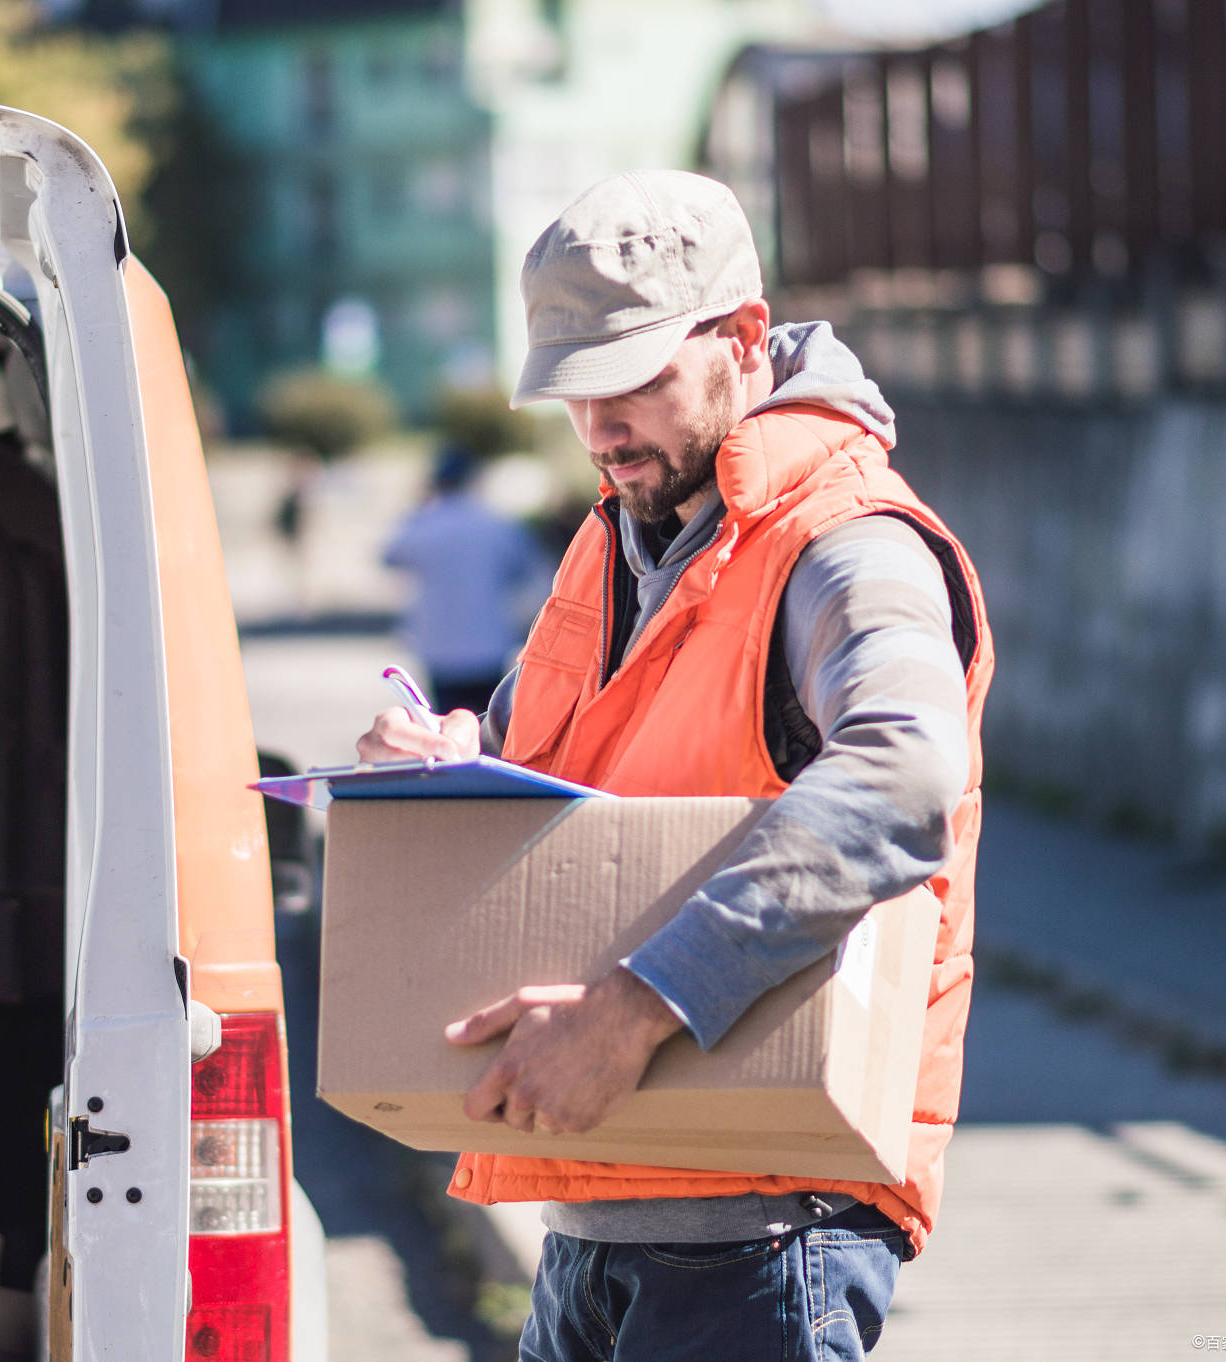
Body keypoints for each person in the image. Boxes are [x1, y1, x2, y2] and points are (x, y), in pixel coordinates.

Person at [355, 170, 993, 1360]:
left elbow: (904, 777)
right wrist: (445, 766)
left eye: (631, 380)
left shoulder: (846, 544)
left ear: (743, 341)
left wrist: (636, 1008)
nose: (598, 430)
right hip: (590, 1223)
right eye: (572, 393)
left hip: (761, 1241)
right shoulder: (614, 539)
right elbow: (538, 771)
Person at [382, 445, 545, 715]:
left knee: (445, 726)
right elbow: (524, 571)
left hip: (439, 643)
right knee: (490, 726)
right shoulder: (497, 523)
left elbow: (390, 557)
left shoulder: (424, 522)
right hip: (489, 640)